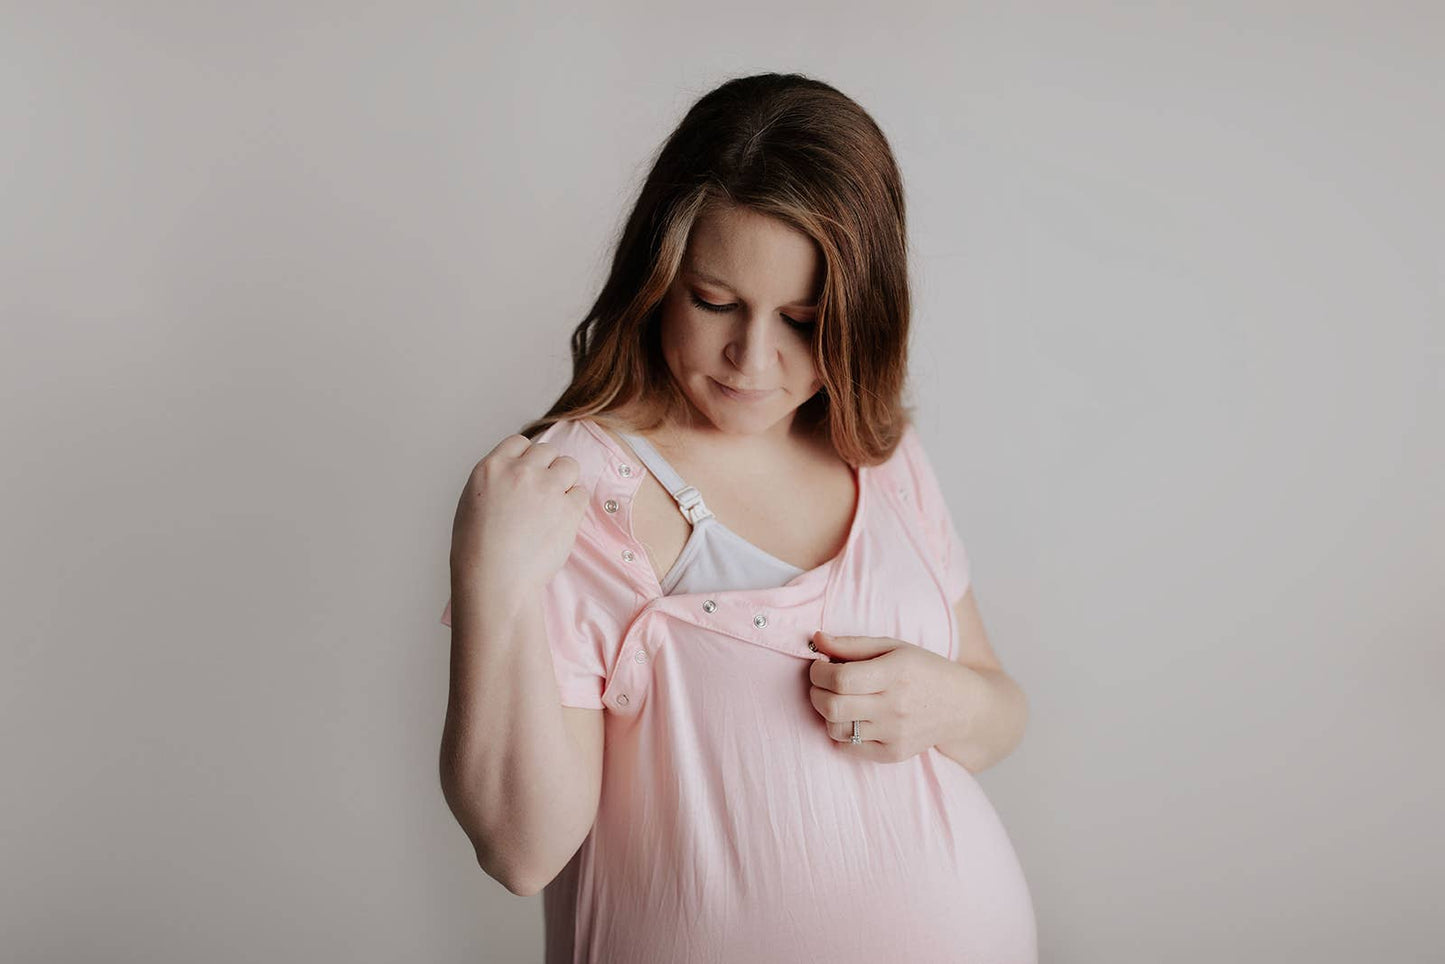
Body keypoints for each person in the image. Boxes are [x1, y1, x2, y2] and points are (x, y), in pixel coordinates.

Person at [438, 72, 1037, 963]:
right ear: (657, 278)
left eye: (802, 320)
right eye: (714, 302)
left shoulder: (878, 451)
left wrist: (944, 701)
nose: (751, 361)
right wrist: (488, 580)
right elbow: (521, 851)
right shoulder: (573, 489)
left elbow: (997, 715)